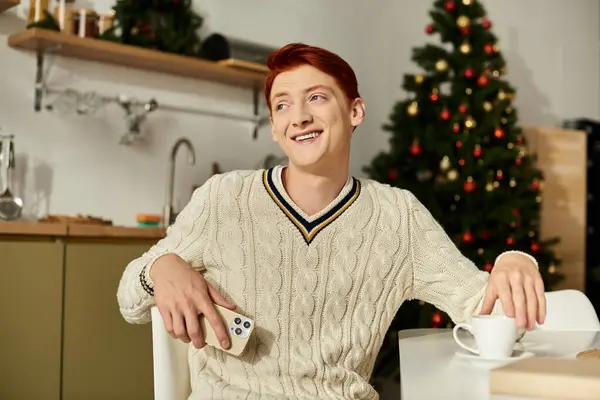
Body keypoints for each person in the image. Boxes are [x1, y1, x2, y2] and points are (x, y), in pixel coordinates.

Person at [116, 43, 545, 399]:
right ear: (274, 127)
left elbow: (484, 312)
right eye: (283, 105)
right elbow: (129, 299)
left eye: (316, 98)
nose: (299, 116)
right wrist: (160, 267)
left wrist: (515, 262)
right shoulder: (224, 197)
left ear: (355, 111)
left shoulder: (398, 217)